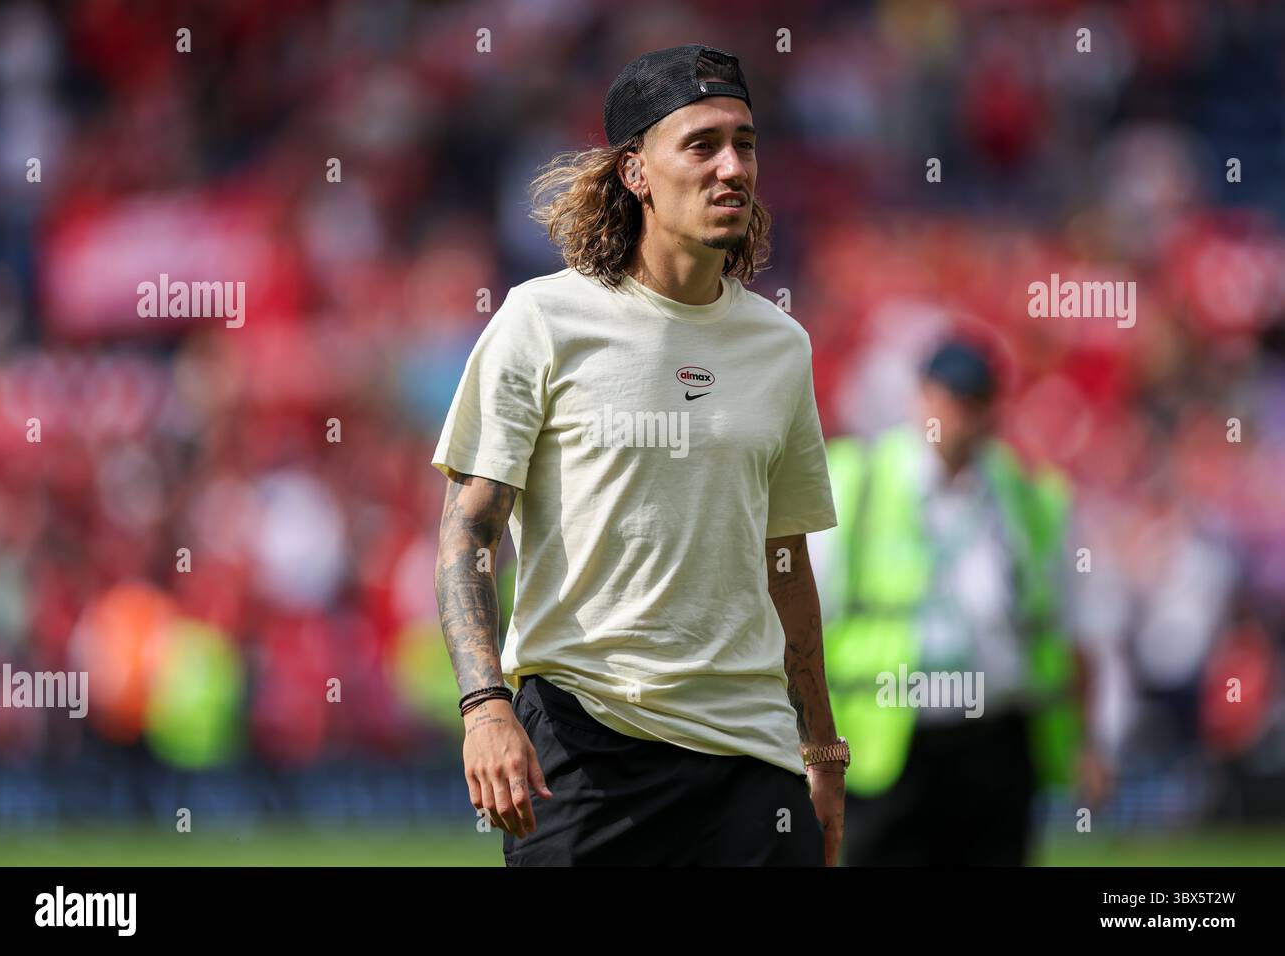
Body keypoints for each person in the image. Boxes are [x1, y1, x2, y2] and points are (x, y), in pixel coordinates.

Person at [431, 43, 847, 866]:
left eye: (746, 142)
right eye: (701, 145)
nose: (733, 167)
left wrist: (822, 750)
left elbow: (785, 559)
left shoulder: (781, 346)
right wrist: (485, 707)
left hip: (750, 759)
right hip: (586, 753)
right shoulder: (539, 322)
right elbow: (468, 535)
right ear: (636, 172)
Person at [816, 337, 1110, 866]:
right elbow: (800, 627)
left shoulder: (1031, 499)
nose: (961, 414)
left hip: (996, 741)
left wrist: (1087, 743)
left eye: (976, 400)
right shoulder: (855, 483)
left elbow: (1071, 633)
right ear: (920, 397)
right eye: (950, 397)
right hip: (885, 745)